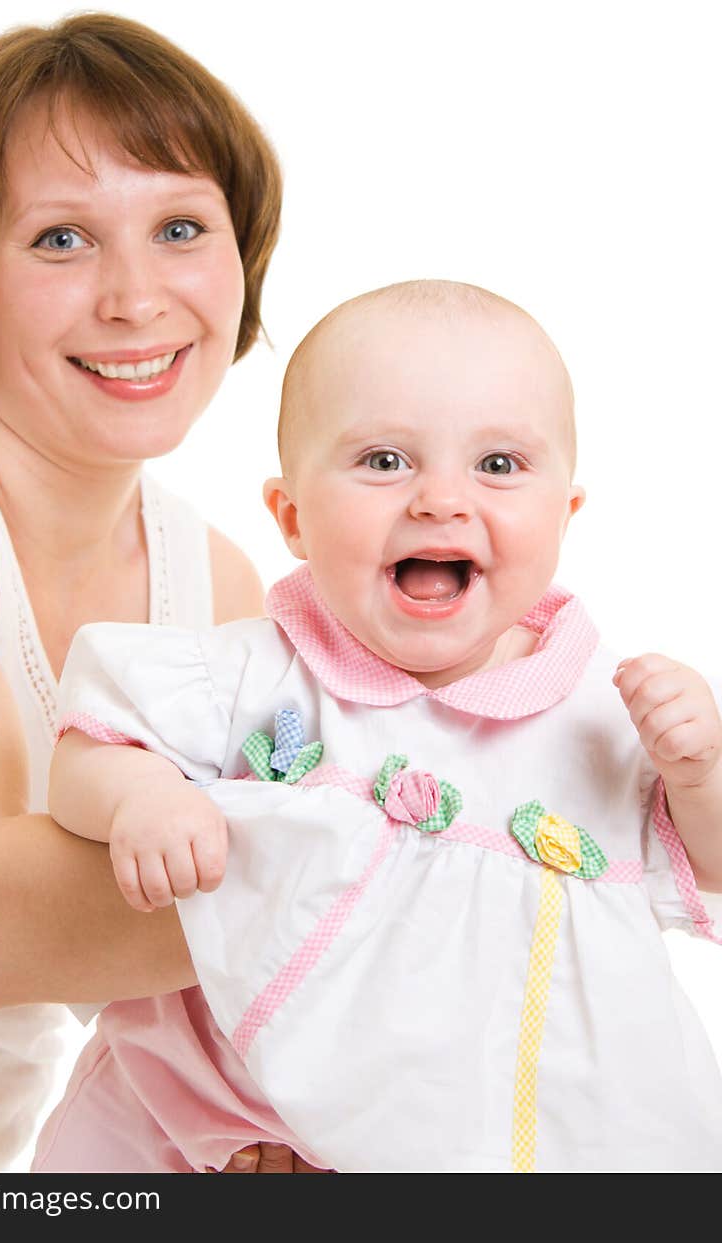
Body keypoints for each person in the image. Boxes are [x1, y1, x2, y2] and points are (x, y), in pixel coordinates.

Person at [36, 280, 722, 1173]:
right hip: (199, 1115)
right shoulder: (258, 671)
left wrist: (701, 773)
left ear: (566, 513)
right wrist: (143, 799)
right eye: (386, 461)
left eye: (500, 466)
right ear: (291, 517)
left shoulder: (597, 719)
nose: (440, 499)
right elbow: (93, 740)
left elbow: (704, 871)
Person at [0, 12, 320, 1174]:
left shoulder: (210, 579)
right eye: (62, 238)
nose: (136, 297)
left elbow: (177, 970)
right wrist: (396, 869)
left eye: (178, 228)